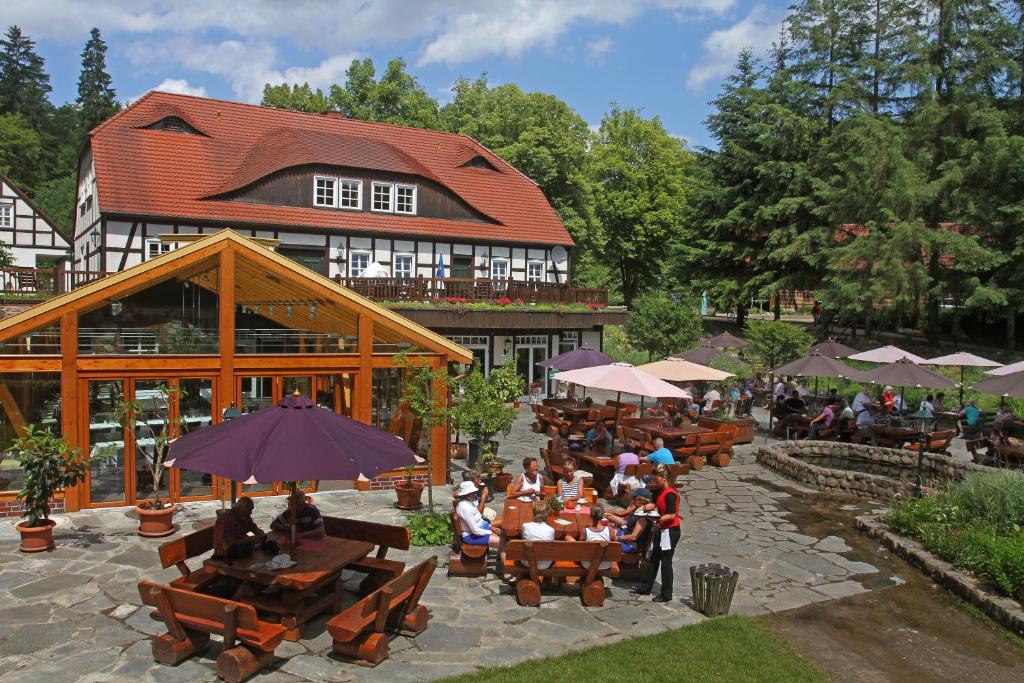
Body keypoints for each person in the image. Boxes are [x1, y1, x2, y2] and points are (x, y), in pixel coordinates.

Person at [632, 464, 680, 602]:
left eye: (656, 477)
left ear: (664, 477)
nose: (654, 479)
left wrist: (657, 519)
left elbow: (672, 515)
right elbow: (655, 504)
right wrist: (645, 507)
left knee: (666, 562)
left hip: (670, 531)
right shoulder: (659, 490)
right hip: (661, 529)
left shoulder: (670, 494)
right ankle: (646, 587)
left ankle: (666, 594)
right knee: (654, 559)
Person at [455, 481, 500, 547]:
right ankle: (503, 556)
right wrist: (490, 532)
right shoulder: (465, 508)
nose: (474, 494)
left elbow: (480, 519)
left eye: (474, 492)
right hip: (471, 536)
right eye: (472, 493)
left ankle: (501, 556)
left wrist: (490, 527)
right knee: (502, 542)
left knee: (503, 537)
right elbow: (475, 531)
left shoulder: (469, 502)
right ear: (465, 494)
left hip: (480, 530)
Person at [608, 488, 652, 554]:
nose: (632, 500)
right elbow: (625, 522)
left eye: (634, 498)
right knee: (606, 530)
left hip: (631, 545)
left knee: (605, 539)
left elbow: (633, 537)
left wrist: (617, 538)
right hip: (625, 536)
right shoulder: (638, 511)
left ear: (641, 501)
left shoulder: (643, 518)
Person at [579, 504, 616, 570]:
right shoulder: (610, 530)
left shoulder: (585, 531)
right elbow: (615, 546)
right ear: (603, 516)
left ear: (590, 516)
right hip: (606, 564)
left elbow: (581, 548)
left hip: (587, 564)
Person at [520, 503, 555, 569]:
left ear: (533, 514)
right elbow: (551, 547)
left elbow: (523, 539)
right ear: (547, 515)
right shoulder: (551, 530)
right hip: (544, 564)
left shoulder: (525, 526)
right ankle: (546, 577)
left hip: (527, 562)